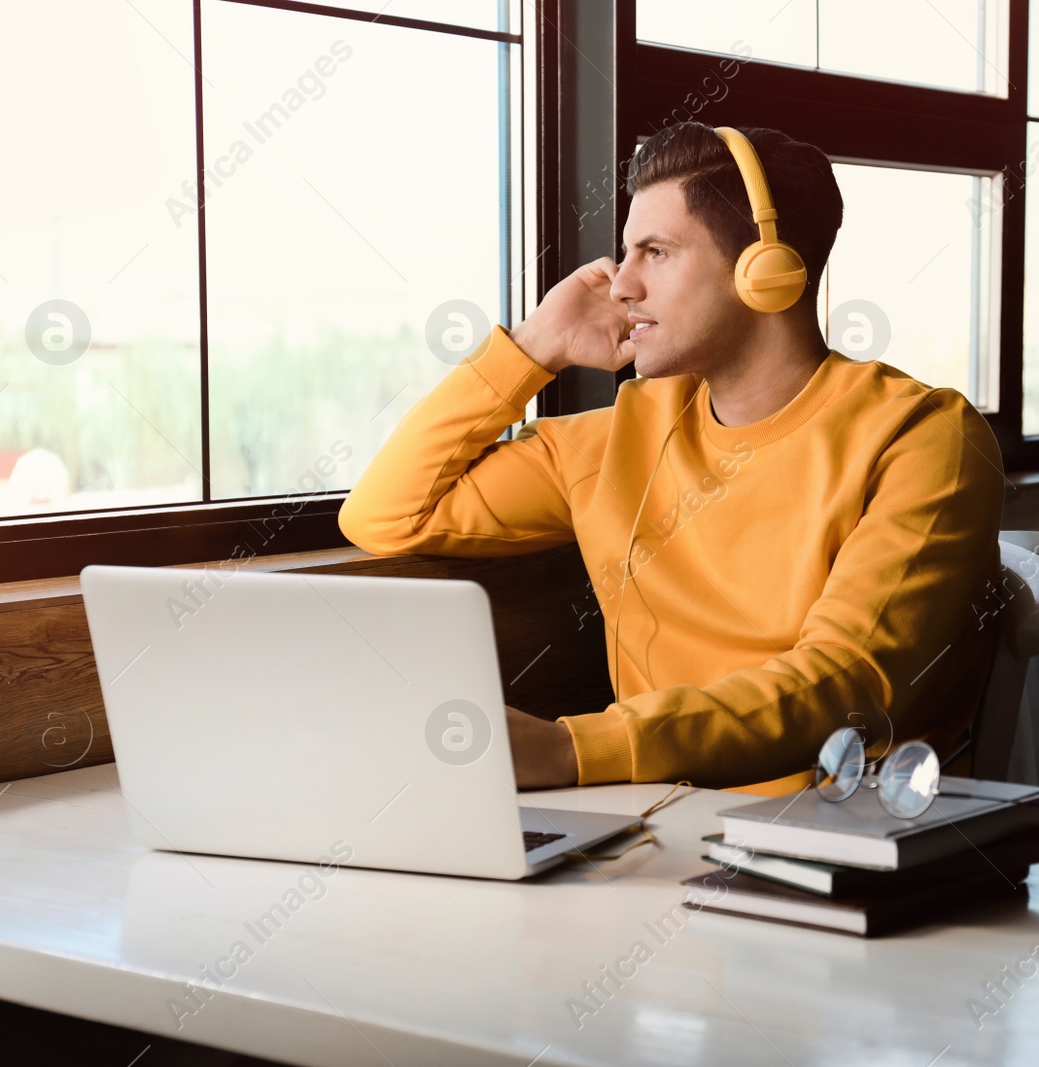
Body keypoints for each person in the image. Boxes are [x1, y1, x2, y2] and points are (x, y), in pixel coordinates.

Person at [338, 122, 1005, 795]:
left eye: (655, 251)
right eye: (625, 253)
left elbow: (844, 682)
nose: (621, 285)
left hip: (843, 849)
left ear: (763, 271)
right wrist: (536, 342)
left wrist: (571, 750)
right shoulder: (619, 436)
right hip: (653, 833)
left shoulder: (923, 436)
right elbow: (387, 513)